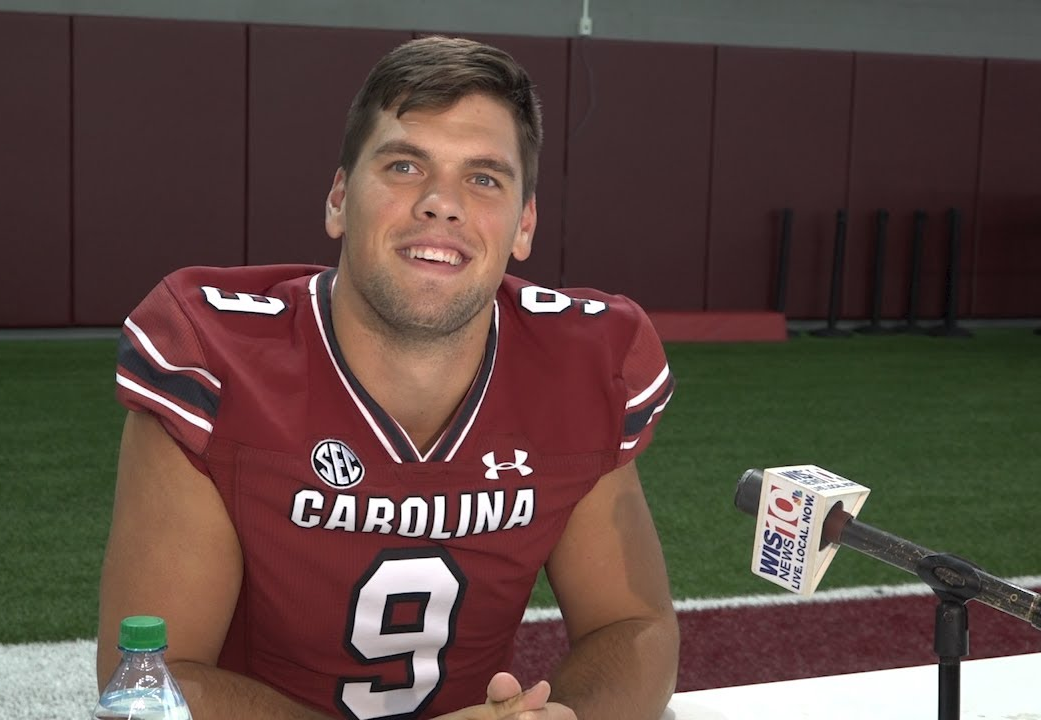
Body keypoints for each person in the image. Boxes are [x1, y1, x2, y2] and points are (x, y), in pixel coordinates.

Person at [97, 35, 678, 720]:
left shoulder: (581, 361)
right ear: (340, 199)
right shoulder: (215, 358)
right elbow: (151, 680)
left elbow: (634, 628)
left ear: (524, 225)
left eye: (484, 178)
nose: (441, 202)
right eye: (405, 166)